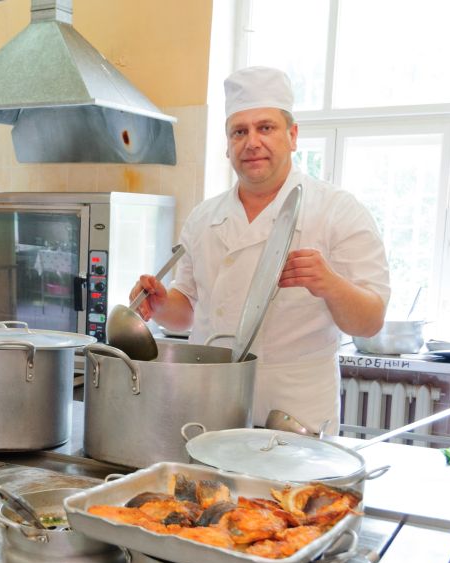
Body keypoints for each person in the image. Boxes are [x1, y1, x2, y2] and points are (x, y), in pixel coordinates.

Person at [132, 66, 390, 433]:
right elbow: (185, 311)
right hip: (211, 400)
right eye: (239, 132)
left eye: (265, 128)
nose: (252, 142)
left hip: (295, 411)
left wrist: (330, 284)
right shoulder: (204, 218)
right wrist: (159, 304)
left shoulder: (338, 211)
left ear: (292, 136)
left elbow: (370, 322)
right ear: (227, 145)